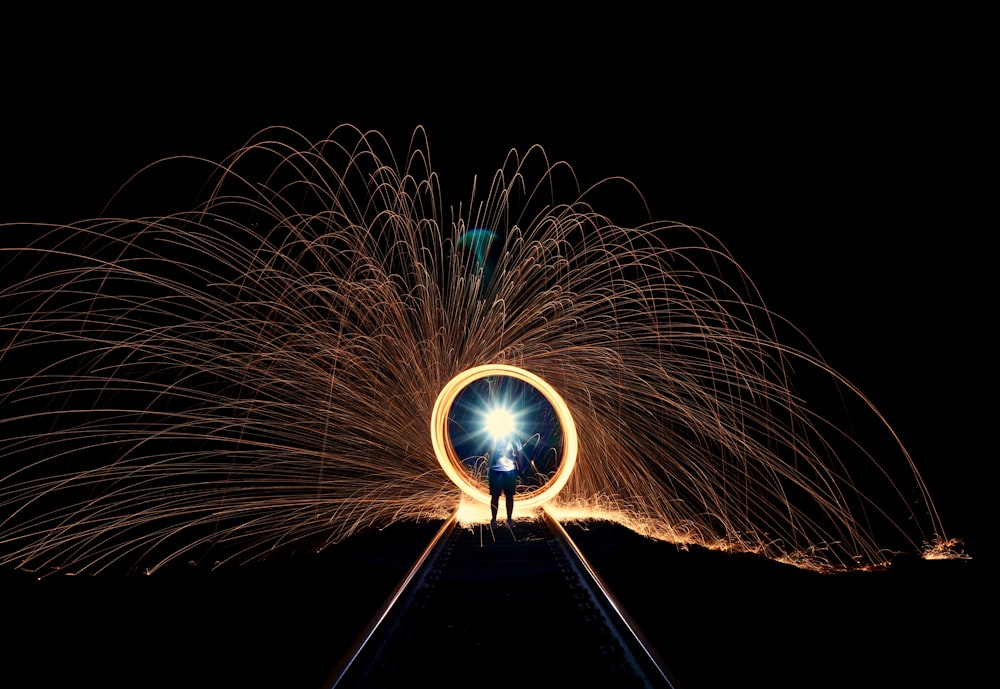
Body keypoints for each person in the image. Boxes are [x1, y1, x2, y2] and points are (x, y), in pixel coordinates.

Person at [488, 440, 519, 528]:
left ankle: (509, 519)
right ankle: (493, 520)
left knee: (509, 496)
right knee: (495, 496)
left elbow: (519, 453)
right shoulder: (493, 438)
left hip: (510, 471)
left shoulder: (515, 439)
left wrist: (520, 466)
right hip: (495, 471)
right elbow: (489, 451)